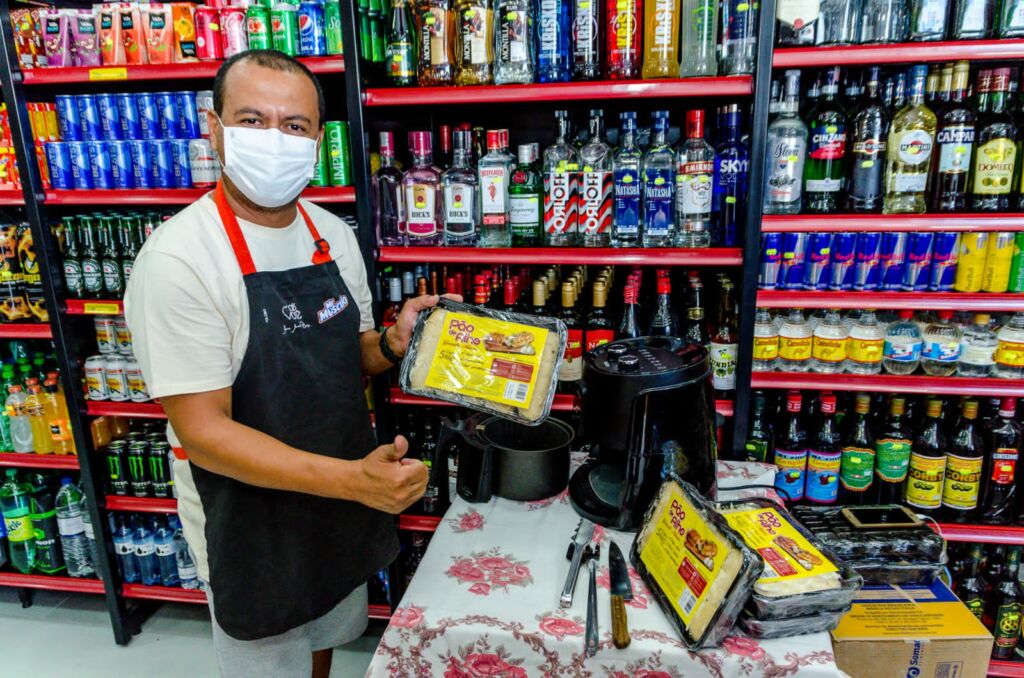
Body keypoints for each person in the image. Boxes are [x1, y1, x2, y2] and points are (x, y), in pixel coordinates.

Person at [124, 50, 452, 678]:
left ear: (317, 140)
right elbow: (205, 434)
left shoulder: (331, 232)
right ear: (214, 129)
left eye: (294, 126)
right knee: (270, 659)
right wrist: (354, 482)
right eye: (252, 120)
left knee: (326, 631)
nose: (275, 140)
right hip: (247, 513)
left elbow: (347, 354)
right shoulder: (180, 260)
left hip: (335, 486)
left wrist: (392, 342)